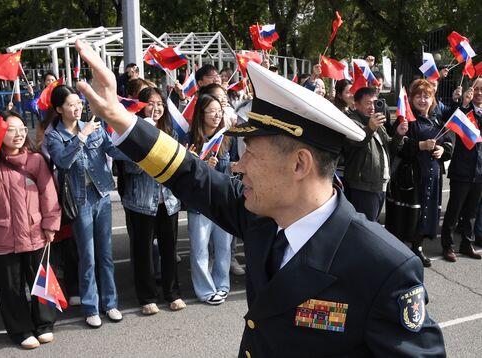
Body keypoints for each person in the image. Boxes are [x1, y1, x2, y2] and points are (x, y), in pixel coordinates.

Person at [73, 39, 446, 356]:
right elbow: (192, 175)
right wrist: (121, 119)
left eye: (250, 153)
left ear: (300, 164)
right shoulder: (263, 217)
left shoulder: (383, 267)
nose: (238, 167)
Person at [0, 111, 61, 349]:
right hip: (3, 236)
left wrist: (50, 224)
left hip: (35, 232)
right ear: (0, 133)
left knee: (39, 280)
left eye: (21, 129)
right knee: (10, 288)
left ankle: (44, 324)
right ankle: (20, 330)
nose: (18, 134)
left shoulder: (36, 160)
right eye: (11, 130)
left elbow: (49, 194)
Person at [45, 85, 123, 328]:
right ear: (59, 109)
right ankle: (91, 306)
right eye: (70, 104)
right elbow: (62, 161)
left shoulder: (94, 125)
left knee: (105, 254)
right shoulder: (54, 135)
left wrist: (140, 150)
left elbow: (111, 149)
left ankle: (110, 303)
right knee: (87, 256)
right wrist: (81, 135)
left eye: (78, 102)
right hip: (79, 199)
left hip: (100, 194)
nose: (77, 107)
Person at [119, 87, 185, 315]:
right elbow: (129, 166)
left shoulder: (171, 131)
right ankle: (147, 297)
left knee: (169, 248)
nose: (156, 108)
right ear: (141, 106)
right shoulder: (132, 131)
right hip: (140, 201)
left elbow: (175, 163)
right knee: (143, 251)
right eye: (150, 103)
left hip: (167, 200)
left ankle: (173, 293)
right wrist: (148, 148)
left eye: (159, 104)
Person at [385, 79, 453, 267]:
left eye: (427, 96)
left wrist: (443, 151)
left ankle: (418, 247)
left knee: (426, 213)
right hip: (411, 177)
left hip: (432, 176)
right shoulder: (405, 119)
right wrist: (419, 146)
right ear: (412, 98)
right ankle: (399, 251)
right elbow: (397, 145)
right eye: (418, 96)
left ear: (432, 100)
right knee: (407, 215)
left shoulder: (437, 119)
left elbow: (448, 142)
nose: (422, 100)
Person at [186, 94, 238, 304]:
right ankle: (205, 290)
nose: (217, 115)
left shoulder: (227, 137)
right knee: (199, 248)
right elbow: (184, 170)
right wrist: (201, 165)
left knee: (223, 247)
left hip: (222, 199)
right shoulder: (191, 139)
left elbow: (234, 164)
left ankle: (222, 284)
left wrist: (232, 167)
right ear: (201, 113)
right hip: (199, 201)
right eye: (212, 111)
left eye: (219, 111)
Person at [343, 86, 408, 221]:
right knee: (365, 227)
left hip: (379, 183)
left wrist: (399, 135)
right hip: (363, 186)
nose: (372, 107)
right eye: (368, 103)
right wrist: (370, 128)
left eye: (375, 103)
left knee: (372, 224)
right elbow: (356, 142)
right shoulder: (352, 122)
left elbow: (390, 148)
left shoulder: (377, 123)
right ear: (356, 105)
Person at [440, 78, 482, 262]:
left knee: (471, 212)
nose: (480, 92)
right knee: (454, 210)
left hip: (479, 171)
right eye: (477, 89)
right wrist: (463, 104)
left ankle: (467, 243)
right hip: (462, 169)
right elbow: (448, 120)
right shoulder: (464, 110)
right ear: (471, 90)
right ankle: (447, 245)